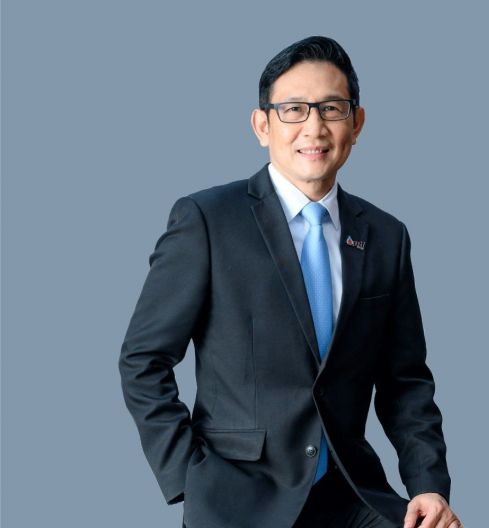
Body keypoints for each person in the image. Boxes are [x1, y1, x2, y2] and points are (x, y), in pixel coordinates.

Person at [119, 35, 462, 528]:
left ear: (357, 124)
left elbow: (404, 380)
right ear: (262, 125)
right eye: (294, 109)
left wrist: (428, 484)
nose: (314, 127)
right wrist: (189, 479)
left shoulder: (386, 236)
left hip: (350, 490)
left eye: (332, 109)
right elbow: (143, 360)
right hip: (239, 496)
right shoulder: (208, 220)